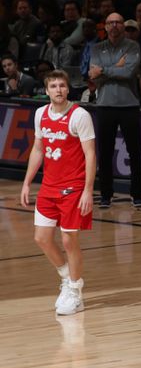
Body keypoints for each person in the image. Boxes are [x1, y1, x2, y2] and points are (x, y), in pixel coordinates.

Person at [19, 69, 95, 316]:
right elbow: (38, 149)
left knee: (68, 240)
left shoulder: (79, 115)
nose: (59, 90)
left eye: (62, 86)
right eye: (54, 86)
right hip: (49, 186)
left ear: (68, 88)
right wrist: (27, 182)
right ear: (47, 89)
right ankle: (66, 276)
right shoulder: (40, 113)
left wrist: (88, 190)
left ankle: (75, 291)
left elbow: (90, 155)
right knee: (41, 238)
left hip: (73, 187)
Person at [89, 12, 141, 209]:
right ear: (105, 27)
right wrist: (116, 67)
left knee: (135, 152)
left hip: (129, 105)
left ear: (123, 26)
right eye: (110, 22)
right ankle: (105, 195)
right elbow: (93, 75)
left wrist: (104, 70)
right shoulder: (96, 48)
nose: (114, 26)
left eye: (118, 22)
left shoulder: (132, 46)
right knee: (104, 153)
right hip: (104, 105)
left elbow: (129, 72)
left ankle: (137, 194)